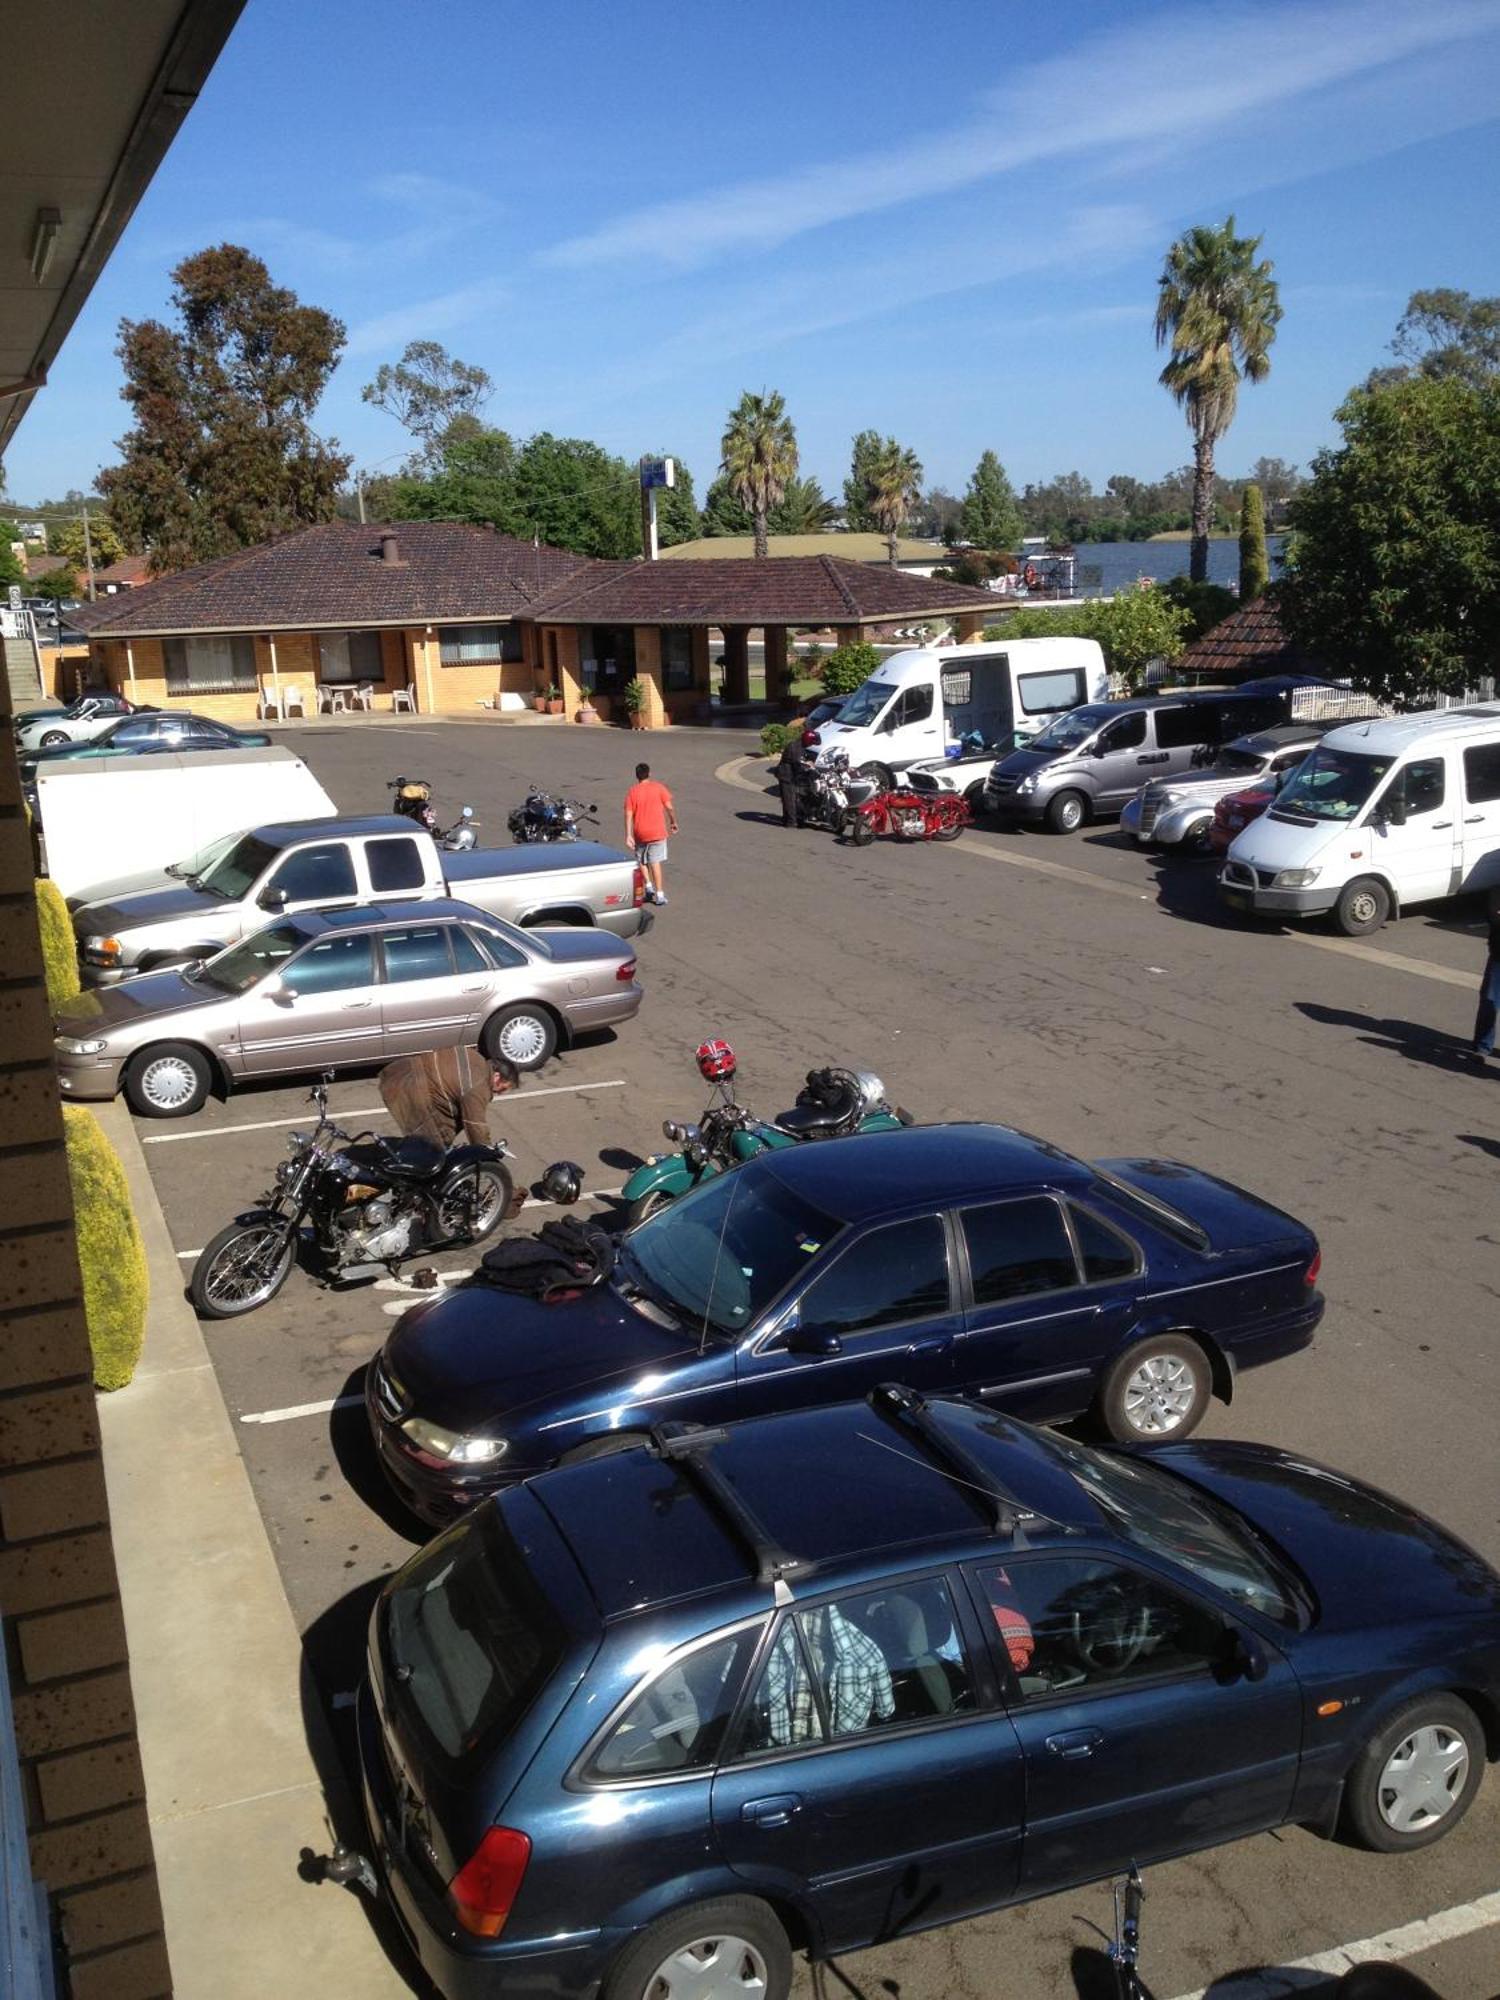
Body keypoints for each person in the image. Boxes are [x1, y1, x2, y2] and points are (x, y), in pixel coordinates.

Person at [379, 1045, 519, 1149]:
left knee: (443, 1133)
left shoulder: (474, 1055)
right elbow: (475, 1125)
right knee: (430, 1150)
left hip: (400, 1073)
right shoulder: (479, 1085)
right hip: (410, 1089)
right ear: (496, 1076)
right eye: (503, 1087)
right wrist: (487, 1152)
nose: (501, 1093)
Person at [623, 761, 678, 906]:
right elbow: (669, 808)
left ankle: (648, 886)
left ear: (636, 776)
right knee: (655, 862)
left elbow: (628, 814)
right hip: (657, 831)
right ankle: (659, 895)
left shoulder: (633, 791)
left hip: (640, 831)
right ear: (650, 773)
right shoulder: (659, 787)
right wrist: (673, 822)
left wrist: (628, 834)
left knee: (641, 860)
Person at [1470, 888, 1500, 1058]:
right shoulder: (1496, 893)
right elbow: (1494, 918)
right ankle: (1483, 1046)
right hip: (1498, 957)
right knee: (1489, 1002)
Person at [775, 729, 813, 828]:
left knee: (788, 797)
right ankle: (791, 821)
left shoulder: (799, 745)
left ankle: (787, 818)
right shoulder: (795, 747)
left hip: (788, 774)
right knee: (789, 798)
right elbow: (797, 762)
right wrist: (807, 766)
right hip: (786, 774)